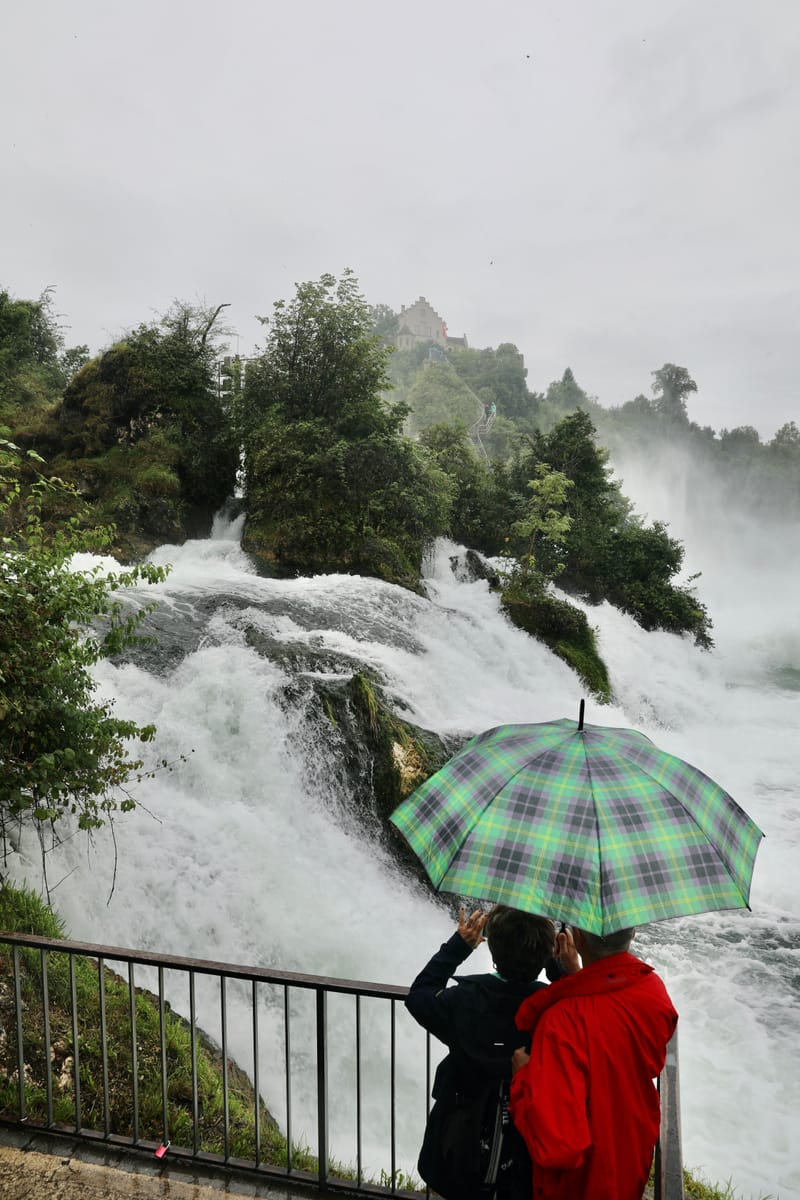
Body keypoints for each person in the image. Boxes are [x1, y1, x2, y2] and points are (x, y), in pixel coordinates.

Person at [509, 926, 678, 1200]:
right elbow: (611, 1037)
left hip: (581, 1183)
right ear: (633, 932)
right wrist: (579, 978)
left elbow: (558, 1147)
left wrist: (522, 1079)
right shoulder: (652, 990)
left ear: (577, 937)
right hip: (628, 1156)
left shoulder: (560, 1023)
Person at [405, 905, 561, 1200]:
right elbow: (584, 1006)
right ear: (547, 952)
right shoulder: (555, 1011)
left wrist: (458, 947)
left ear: (493, 948)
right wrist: (557, 969)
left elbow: (419, 996)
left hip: (457, 1145)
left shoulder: (464, 1000)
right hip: (525, 1149)